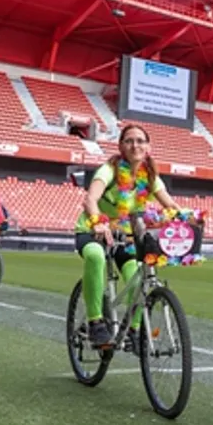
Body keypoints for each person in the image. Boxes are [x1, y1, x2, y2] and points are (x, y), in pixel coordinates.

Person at [74, 123, 183, 347]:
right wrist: (98, 223)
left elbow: (170, 204)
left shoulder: (150, 176)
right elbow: (90, 199)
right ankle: (95, 322)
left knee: (137, 276)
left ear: (148, 146)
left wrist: (187, 220)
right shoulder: (110, 170)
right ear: (121, 146)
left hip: (127, 235)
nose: (135, 145)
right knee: (95, 256)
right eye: (129, 140)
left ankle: (133, 330)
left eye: (140, 141)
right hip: (94, 230)